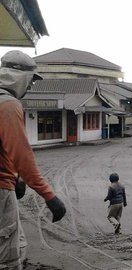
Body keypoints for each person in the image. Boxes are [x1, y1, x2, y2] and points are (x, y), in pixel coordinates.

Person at [0, 50, 66, 269]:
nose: (29, 88)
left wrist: (16, 178)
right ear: (19, 77)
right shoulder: (8, 105)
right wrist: (49, 196)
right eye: (30, 81)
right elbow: (22, 156)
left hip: (6, 182)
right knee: (8, 257)